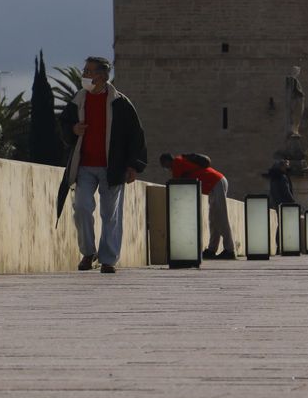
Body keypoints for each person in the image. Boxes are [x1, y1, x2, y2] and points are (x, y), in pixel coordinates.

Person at [58, 56, 146, 274]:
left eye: (89, 71)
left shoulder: (121, 103)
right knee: (81, 207)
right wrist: (73, 130)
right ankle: (88, 252)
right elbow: (64, 125)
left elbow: (136, 135)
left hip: (113, 167)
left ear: (102, 75)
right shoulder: (78, 100)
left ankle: (108, 260)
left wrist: (133, 165)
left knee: (110, 214)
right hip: (84, 166)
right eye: (84, 70)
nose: (85, 74)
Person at [160, 153, 236, 259]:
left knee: (220, 217)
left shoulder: (177, 163)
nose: (166, 168)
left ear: (167, 161)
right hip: (214, 183)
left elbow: (176, 184)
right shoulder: (181, 160)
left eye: (164, 165)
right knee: (213, 219)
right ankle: (211, 249)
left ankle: (230, 250)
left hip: (215, 182)